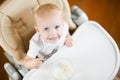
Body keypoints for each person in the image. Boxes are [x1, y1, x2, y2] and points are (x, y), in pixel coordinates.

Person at [23, 3, 72, 69]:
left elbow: (66, 32)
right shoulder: (36, 42)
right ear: (38, 30)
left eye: (57, 27)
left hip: (65, 54)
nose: (53, 33)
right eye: (46, 29)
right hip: (49, 63)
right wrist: (31, 63)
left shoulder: (64, 26)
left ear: (62, 24)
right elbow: (26, 62)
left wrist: (67, 37)